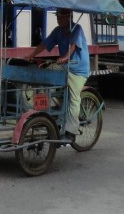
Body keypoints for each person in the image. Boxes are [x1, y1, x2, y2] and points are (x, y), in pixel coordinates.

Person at [28, 7, 88, 140]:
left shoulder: (76, 29)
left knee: (73, 98)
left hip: (77, 69)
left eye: (60, 17)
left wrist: (65, 57)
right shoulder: (58, 31)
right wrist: (31, 55)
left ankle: (71, 132)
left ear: (68, 17)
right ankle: (51, 114)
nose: (58, 20)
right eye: (57, 17)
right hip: (65, 66)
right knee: (46, 76)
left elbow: (73, 46)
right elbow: (44, 44)